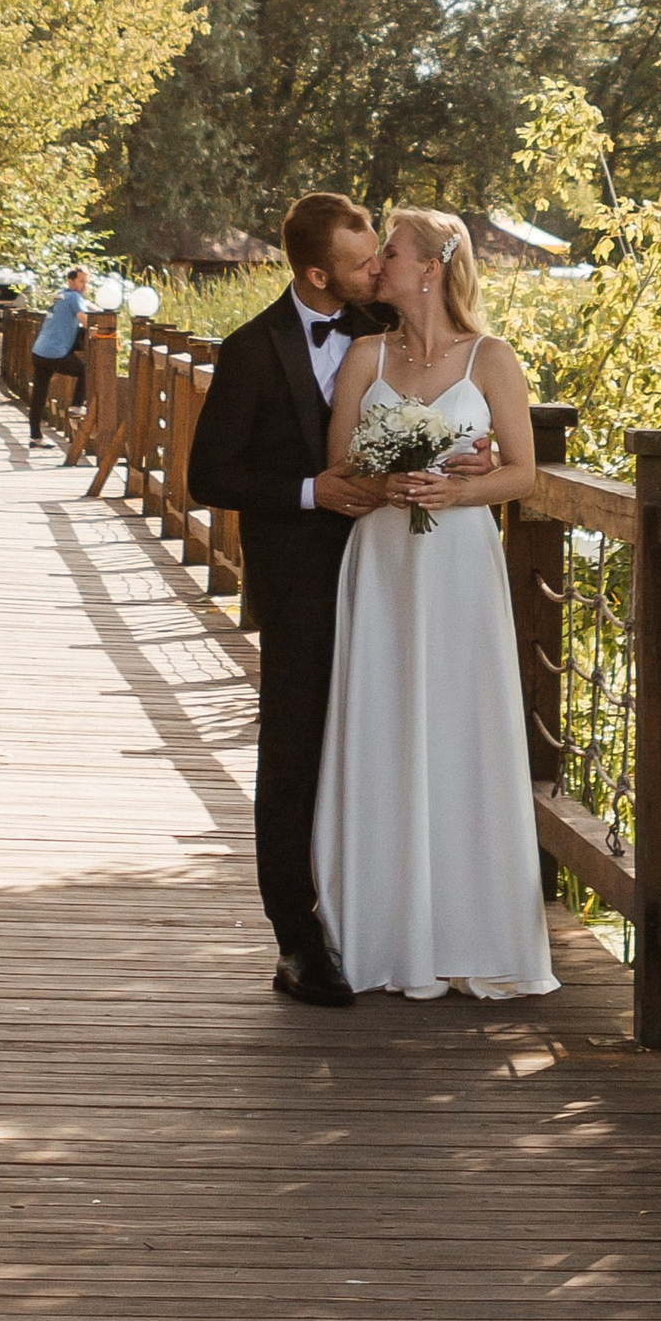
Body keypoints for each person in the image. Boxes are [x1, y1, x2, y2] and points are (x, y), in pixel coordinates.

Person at [312, 207, 555, 1002]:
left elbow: (522, 473)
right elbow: (340, 467)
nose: (376, 261)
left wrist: (457, 490)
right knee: (384, 723)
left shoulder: (492, 359)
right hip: (383, 561)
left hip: (458, 565)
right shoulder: (365, 356)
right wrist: (386, 478)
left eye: (390, 250)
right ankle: (384, 932)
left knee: (460, 727)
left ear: (429, 267)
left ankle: (466, 934)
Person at [184, 193, 401, 1004]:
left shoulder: (394, 328)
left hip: (393, 575)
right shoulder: (250, 349)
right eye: (361, 263)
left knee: (385, 742)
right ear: (316, 274)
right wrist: (311, 491)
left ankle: (385, 921)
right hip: (299, 583)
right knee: (293, 755)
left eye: (378, 255)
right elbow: (208, 476)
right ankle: (297, 942)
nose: (376, 270)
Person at [28, 266, 93, 443]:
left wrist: (98, 309)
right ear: (71, 282)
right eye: (81, 281)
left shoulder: (61, 295)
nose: (84, 286)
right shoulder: (74, 297)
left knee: (39, 395)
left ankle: (35, 438)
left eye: (86, 282)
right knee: (85, 371)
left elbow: (86, 305)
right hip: (55, 353)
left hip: (39, 351)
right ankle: (76, 407)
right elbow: (85, 320)